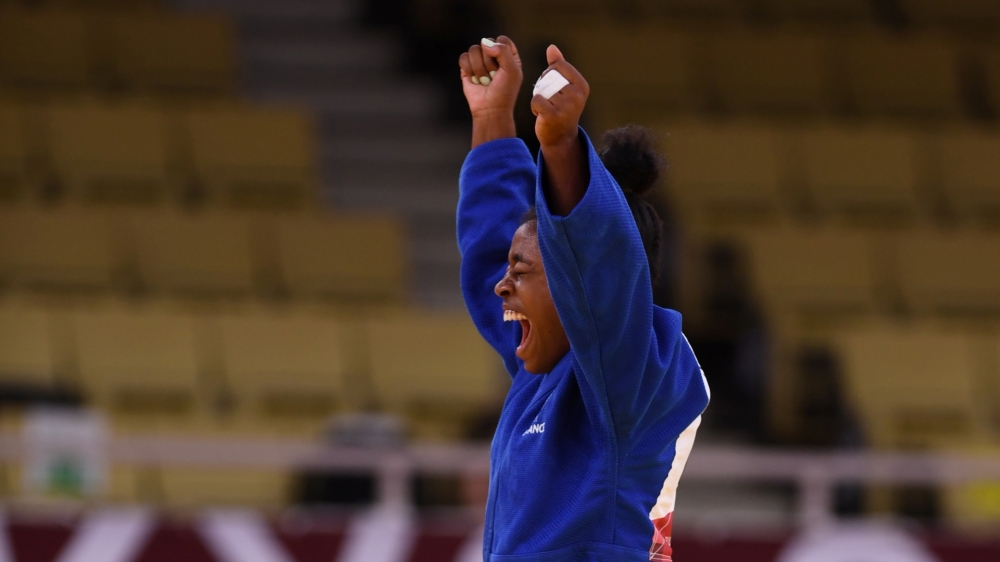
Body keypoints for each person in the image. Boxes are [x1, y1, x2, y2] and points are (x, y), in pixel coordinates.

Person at [456, 35, 710, 562]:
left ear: (578, 282)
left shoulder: (635, 372)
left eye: (521, 273)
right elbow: (494, 249)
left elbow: (598, 263)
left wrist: (561, 144)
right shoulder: (548, 372)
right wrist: (492, 116)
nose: (503, 286)